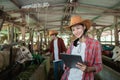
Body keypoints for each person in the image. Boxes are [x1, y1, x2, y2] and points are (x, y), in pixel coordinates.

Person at [61, 15, 102, 80]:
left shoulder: (95, 44)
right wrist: (65, 64)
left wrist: (88, 69)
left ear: (84, 27)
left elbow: (99, 66)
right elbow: (66, 62)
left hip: (85, 77)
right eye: (73, 30)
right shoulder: (72, 44)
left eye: (78, 28)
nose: (76, 32)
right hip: (69, 77)